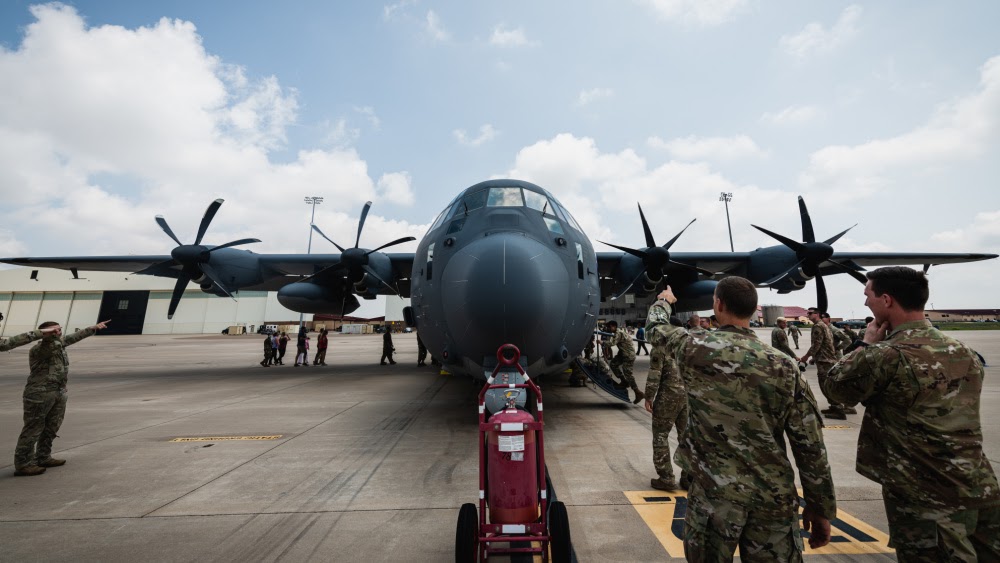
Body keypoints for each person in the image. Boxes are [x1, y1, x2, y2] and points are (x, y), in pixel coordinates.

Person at [822, 266, 1000, 560]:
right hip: (977, 482)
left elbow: (836, 389)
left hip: (922, 491)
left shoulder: (886, 354)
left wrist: (864, 344)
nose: (866, 302)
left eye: (868, 295)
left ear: (887, 300)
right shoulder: (963, 351)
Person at [653, 281, 835, 558]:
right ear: (752, 310)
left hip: (713, 497)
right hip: (771, 499)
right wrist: (820, 506)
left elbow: (657, 330)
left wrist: (665, 301)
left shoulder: (694, 347)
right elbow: (810, 444)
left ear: (719, 305)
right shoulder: (783, 365)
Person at [14, 319, 110, 476]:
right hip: (39, 393)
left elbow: (71, 338)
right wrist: (50, 336)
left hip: (57, 391)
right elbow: (56, 343)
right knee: (33, 428)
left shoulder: (59, 344)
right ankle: (23, 463)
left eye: (59, 330)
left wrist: (91, 328)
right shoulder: (40, 349)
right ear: (46, 333)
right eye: (55, 331)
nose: (59, 333)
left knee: (52, 426)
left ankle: (43, 456)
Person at [644, 312, 688, 491]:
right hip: (687, 397)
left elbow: (655, 374)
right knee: (686, 437)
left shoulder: (660, 346)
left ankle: (666, 477)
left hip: (668, 397)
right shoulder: (688, 344)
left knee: (660, 436)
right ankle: (689, 477)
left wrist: (649, 396)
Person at [800, 308, 847, 419]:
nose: (808, 315)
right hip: (826, 359)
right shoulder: (824, 325)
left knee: (825, 385)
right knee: (827, 384)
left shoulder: (818, 326)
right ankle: (834, 407)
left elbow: (817, 344)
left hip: (825, 361)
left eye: (810, 313)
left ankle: (838, 409)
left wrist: (806, 356)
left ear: (817, 314)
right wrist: (814, 358)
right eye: (808, 314)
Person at [604, 320, 644, 405]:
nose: (608, 328)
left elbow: (612, 343)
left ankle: (638, 392)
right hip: (623, 354)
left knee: (628, 374)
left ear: (613, 326)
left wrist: (602, 342)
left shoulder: (618, 333)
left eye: (609, 327)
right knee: (613, 364)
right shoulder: (617, 332)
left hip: (628, 355)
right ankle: (624, 381)